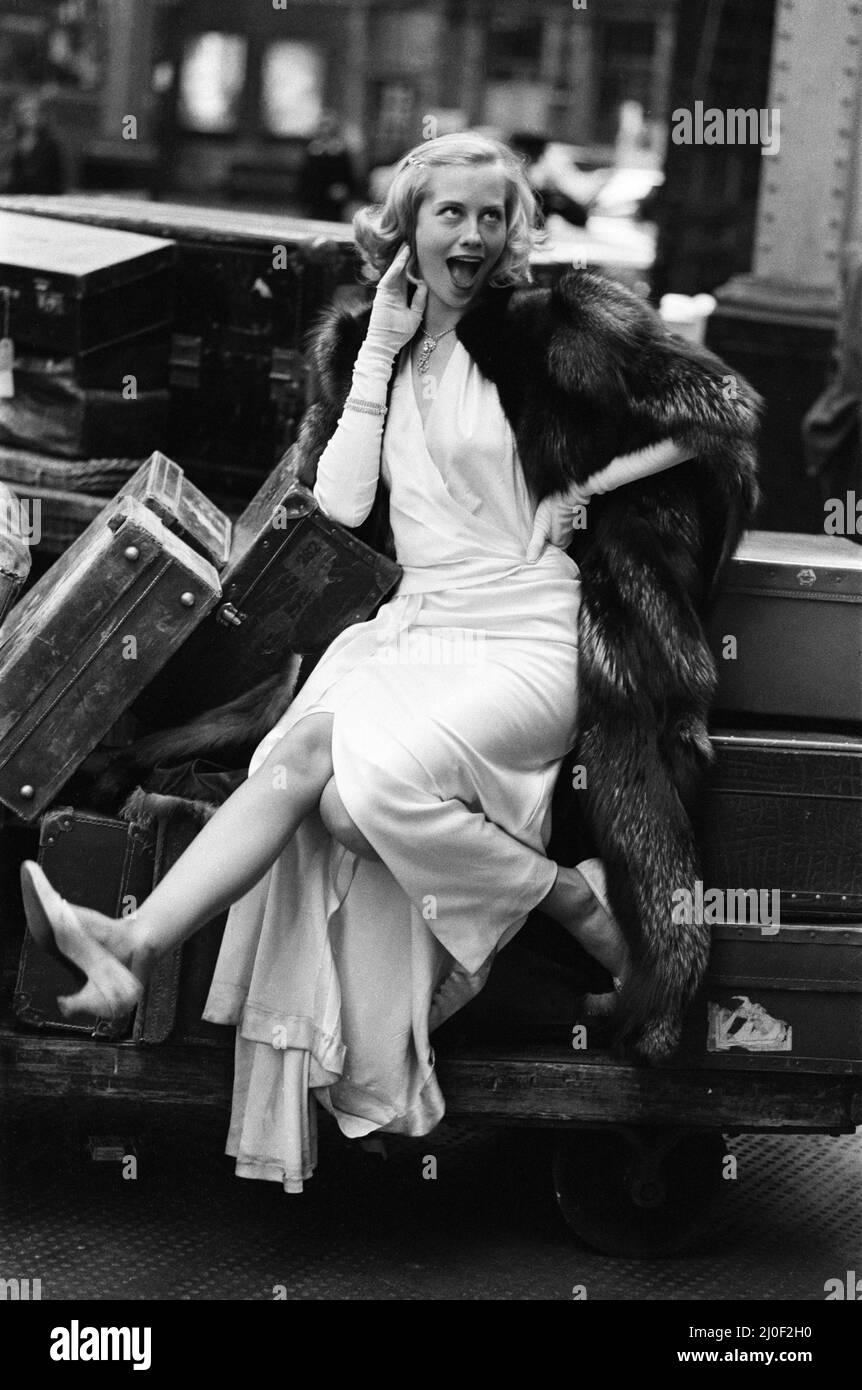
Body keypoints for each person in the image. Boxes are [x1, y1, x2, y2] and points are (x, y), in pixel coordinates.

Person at [22, 133, 759, 1191]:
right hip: (414, 626)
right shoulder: (366, 346)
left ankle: (567, 898)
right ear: (407, 225)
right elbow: (348, 504)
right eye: (449, 213)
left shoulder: (558, 326)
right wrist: (377, 355)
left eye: (492, 215)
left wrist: (588, 489)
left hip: (529, 633)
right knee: (303, 770)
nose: (473, 233)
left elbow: (721, 413)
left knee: (370, 785)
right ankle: (129, 948)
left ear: (514, 233)